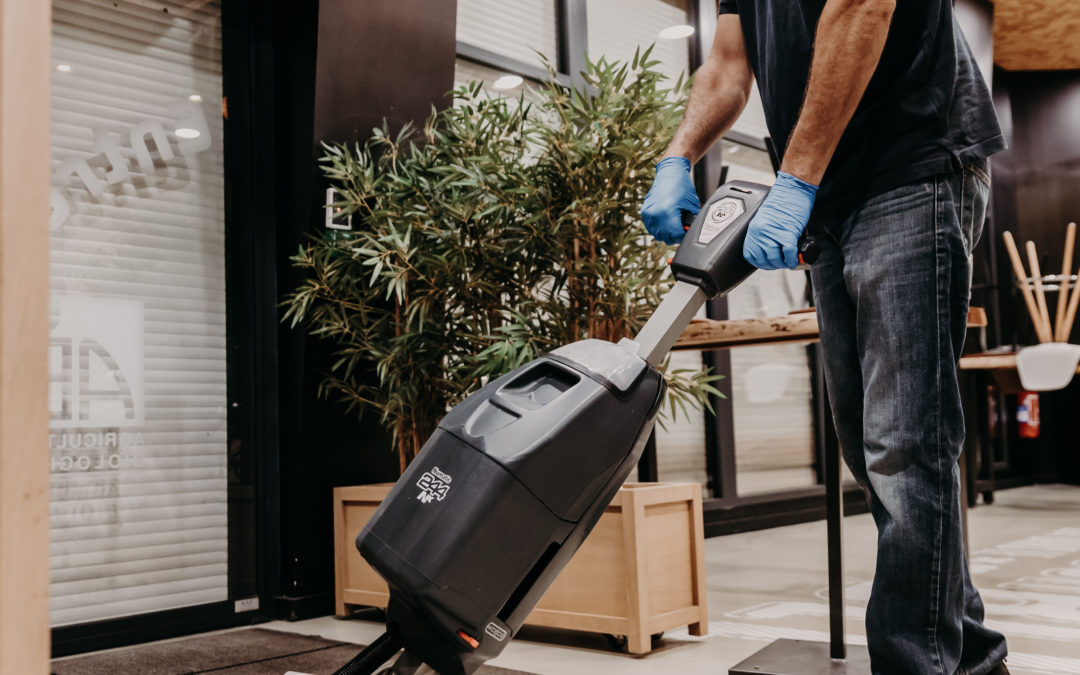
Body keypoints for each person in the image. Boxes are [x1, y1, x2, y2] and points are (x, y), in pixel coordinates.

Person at [641, 1, 1009, 673]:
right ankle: (974, 656)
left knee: (904, 446)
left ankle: (915, 662)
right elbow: (728, 61)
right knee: (870, 449)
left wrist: (795, 180)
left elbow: (864, 5)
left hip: (911, 160)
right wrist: (677, 156)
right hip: (828, 194)